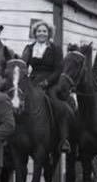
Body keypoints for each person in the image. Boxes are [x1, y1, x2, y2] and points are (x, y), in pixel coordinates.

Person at [21, 20, 73, 153]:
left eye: (44, 31)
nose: (41, 33)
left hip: (51, 81)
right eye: (39, 31)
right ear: (35, 33)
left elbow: (58, 69)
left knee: (60, 106)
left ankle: (64, 139)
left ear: (49, 33)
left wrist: (46, 82)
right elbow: (23, 66)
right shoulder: (29, 48)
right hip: (33, 81)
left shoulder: (55, 49)